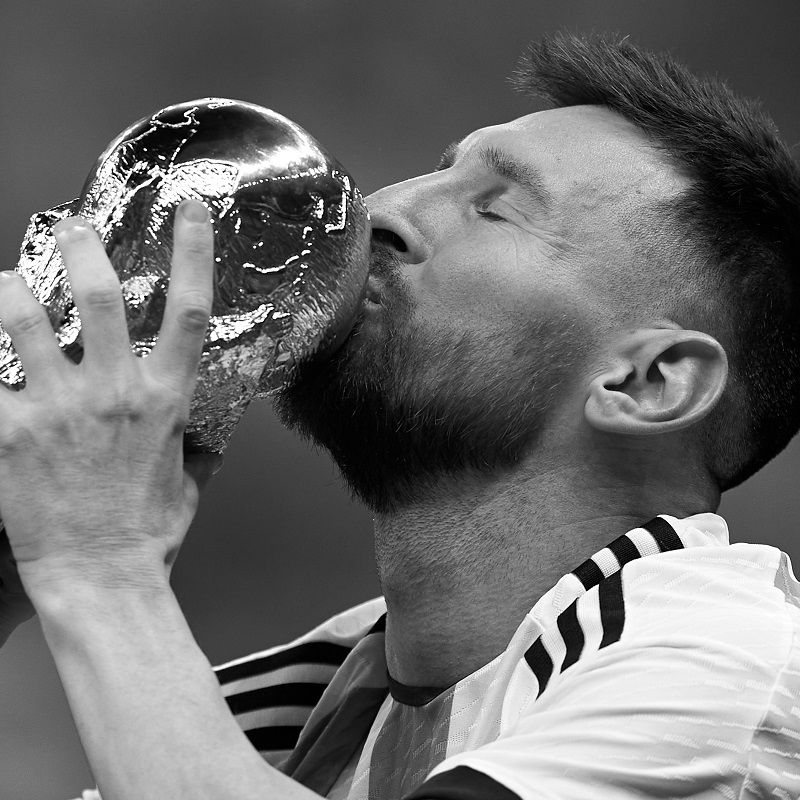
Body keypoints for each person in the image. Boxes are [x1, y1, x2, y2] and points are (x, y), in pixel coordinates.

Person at [1, 30, 799, 800]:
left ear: (652, 382)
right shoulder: (287, 712)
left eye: (494, 210)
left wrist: (101, 563)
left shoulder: (730, 669)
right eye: (433, 172)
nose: (377, 210)